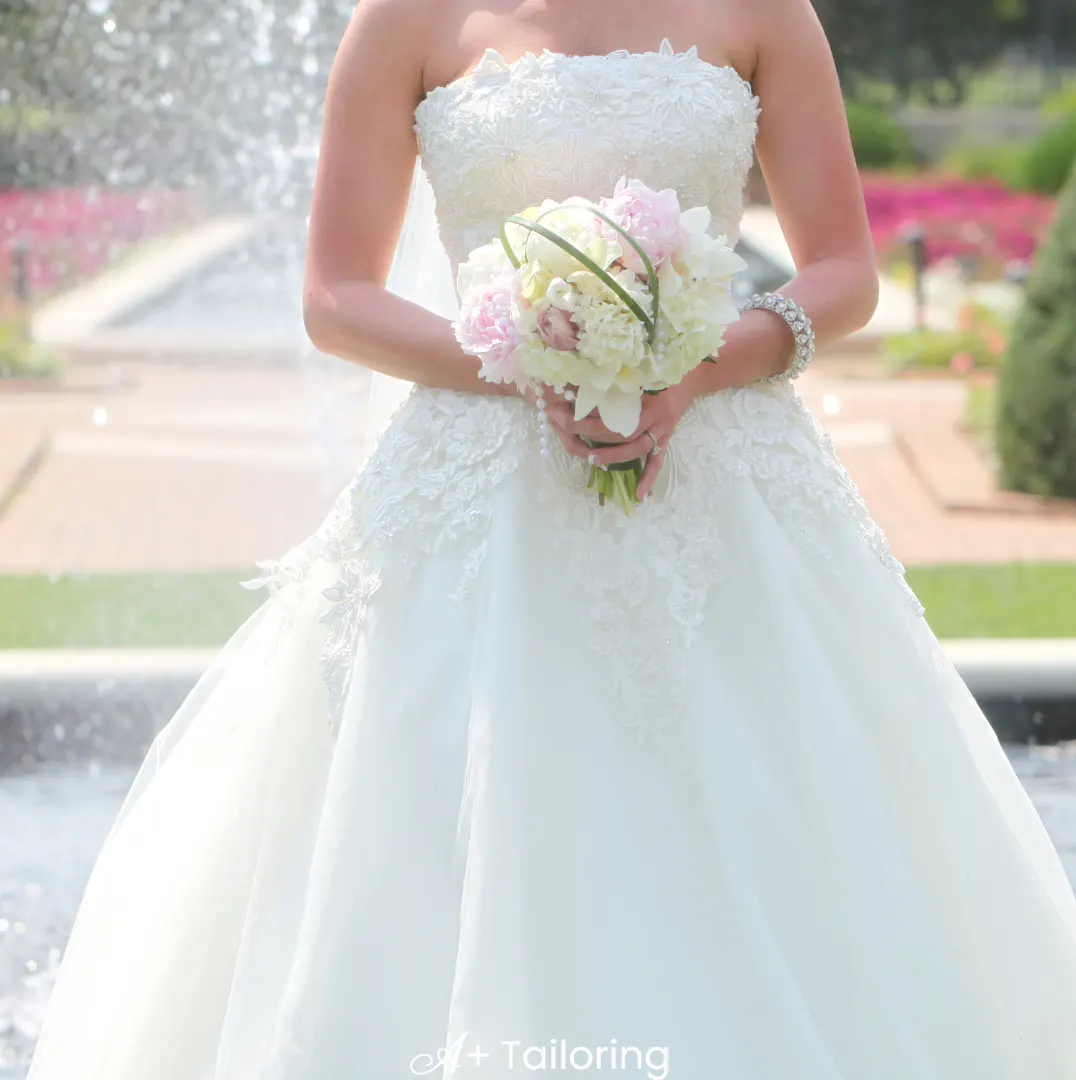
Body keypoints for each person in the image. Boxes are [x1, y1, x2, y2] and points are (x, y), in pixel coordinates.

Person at [26, 0, 1076, 1077]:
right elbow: (335, 296)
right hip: (473, 498)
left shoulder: (764, 9)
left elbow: (843, 273)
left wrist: (691, 370)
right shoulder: (404, 20)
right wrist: (531, 370)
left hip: (726, 490)